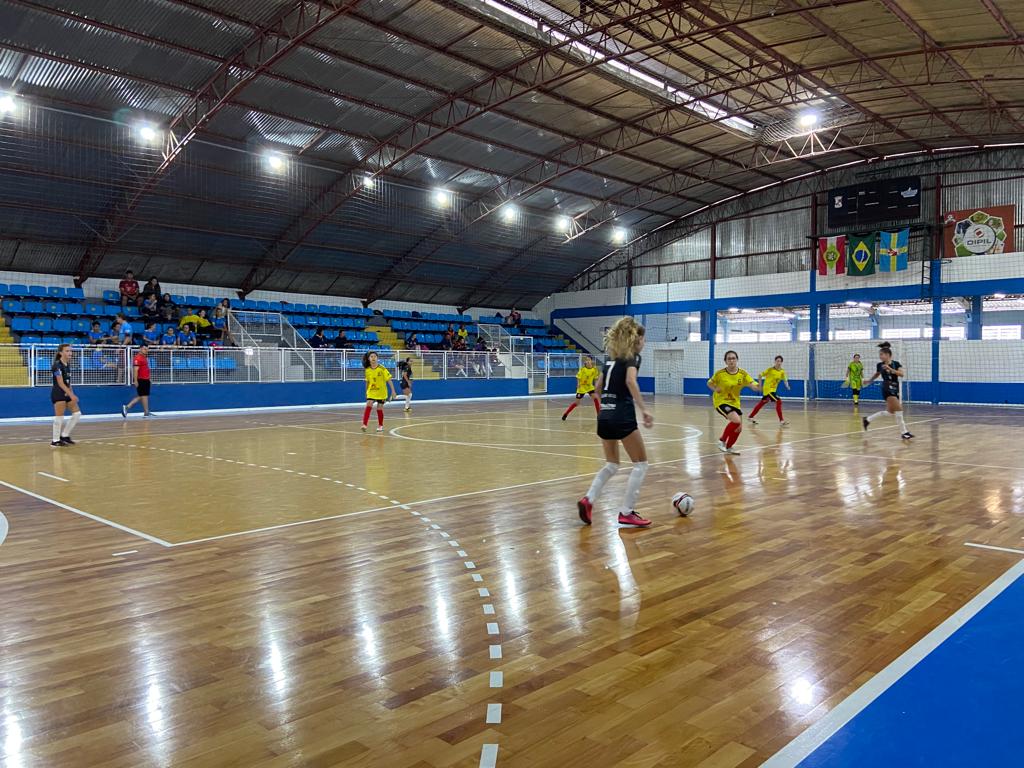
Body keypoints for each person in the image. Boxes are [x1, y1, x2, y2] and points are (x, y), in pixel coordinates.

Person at [576, 317, 654, 528]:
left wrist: (607, 408)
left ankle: (589, 499)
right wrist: (644, 409)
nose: (644, 343)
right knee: (641, 464)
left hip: (605, 416)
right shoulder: (633, 358)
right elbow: (630, 381)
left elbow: (597, 389)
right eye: (643, 339)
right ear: (636, 339)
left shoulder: (609, 360)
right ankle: (626, 512)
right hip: (622, 415)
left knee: (612, 464)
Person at [708, 350, 760, 454]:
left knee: (738, 428)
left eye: (733, 358)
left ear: (737, 360)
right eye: (729, 359)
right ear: (725, 361)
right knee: (736, 421)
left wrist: (758, 386)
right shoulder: (720, 374)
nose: (731, 360)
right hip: (721, 401)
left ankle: (729, 447)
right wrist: (715, 389)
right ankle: (722, 441)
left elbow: (753, 386)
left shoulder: (742, 374)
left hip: (735, 403)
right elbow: (709, 383)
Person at [863, 342, 912, 439]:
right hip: (886, 387)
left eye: (881, 354)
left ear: (888, 355)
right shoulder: (879, 365)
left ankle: (867, 419)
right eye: (879, 354)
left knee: (890, 412)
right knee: (899, 409)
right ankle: (904, 432)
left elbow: (901, 374)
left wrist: (890, 368)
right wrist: (869, 381)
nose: (880, 356)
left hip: (895, 386)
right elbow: (877, 374)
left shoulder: (896, 364)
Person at [49, 344, 81, 447]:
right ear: (60, 353)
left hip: (67, 392)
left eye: (70, 351)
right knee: (59, 417)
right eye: (67, 351)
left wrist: (72, 393)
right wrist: (71, 395)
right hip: (58, 393)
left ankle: (65, 435)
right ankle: (55, 440)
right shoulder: (57, 366)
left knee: (77, 414)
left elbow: (68, 382)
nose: (70, 353)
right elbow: (60, 383)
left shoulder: (68, 365)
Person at [748, 355, 791, 425]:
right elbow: (760, 375)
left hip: (773, 390)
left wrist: (787, 386)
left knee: (762, 403)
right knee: (779, 401)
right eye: (777, 361)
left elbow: (785, 379)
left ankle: (750, 416)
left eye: (780, 361)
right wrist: (760, 385)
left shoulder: (782, 371)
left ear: (782, 362)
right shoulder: (770, 370)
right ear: (775, 362)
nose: (778, 363)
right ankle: (781, 420)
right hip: (768, 390)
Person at [361, 351, 396, 433]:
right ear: (369, 359)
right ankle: (364, 424)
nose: (373, 358)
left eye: (375, 356)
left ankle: (380, 425)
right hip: (371, 391)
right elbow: (367, 382)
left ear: (377, 358)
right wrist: (366, 391)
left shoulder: (382, 368)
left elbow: (389, 380)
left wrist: (393, 391)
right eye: (371, 356)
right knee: (369, 404)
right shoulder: (367, 370)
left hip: (381, 392)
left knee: (379, 409)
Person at [562, 356, 601, 420]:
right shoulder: (582, 369)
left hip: (589, 386)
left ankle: (598, 415)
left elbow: (596, 378)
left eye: (589, 360)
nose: (587, 361)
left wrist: (596, 386)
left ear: (591, 361)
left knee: (595, 398)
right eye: (586, 360)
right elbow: (578, 377)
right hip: (582, 387)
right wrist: (578, 384)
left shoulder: (594, 369)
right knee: (577, 403)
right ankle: (566, 414)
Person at [122, 345, 152, 418]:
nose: (146, 350)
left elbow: (146, 369)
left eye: (147, 349)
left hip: (146, 379)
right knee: (143, 396)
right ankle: (145, 413)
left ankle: (128, 408)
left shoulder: (144, 357)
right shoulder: (137, 358)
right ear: (140, 349)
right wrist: (135, 380)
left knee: (142, 396)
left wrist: (149, 379)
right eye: (144, 349)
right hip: (141, 379)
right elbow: (135, 370)